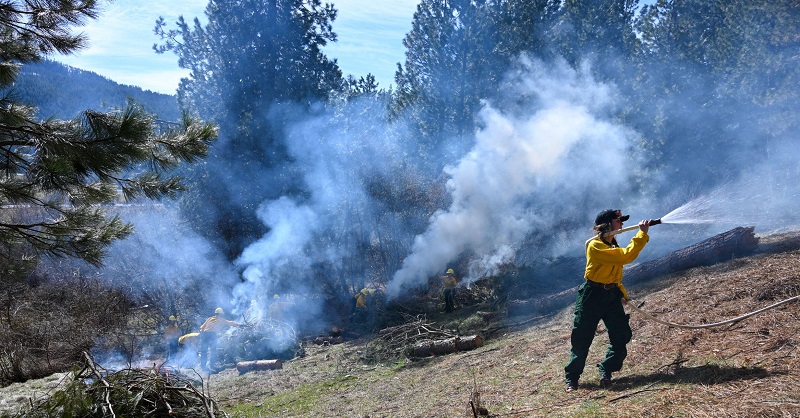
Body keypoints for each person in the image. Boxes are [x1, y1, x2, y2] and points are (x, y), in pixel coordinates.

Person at [564, 209, 654, 392]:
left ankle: (607, 370)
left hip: (611, 295)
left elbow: (616, 271)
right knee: (582, 338)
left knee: (621, 335)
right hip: (592, 295)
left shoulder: (612, 246)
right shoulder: (595, 246)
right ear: (606, 225)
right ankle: (572, 378)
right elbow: (625, 256)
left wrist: (620, 294)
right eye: (618, 220)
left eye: (621, 221)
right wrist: (641, 234)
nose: (621, 224)